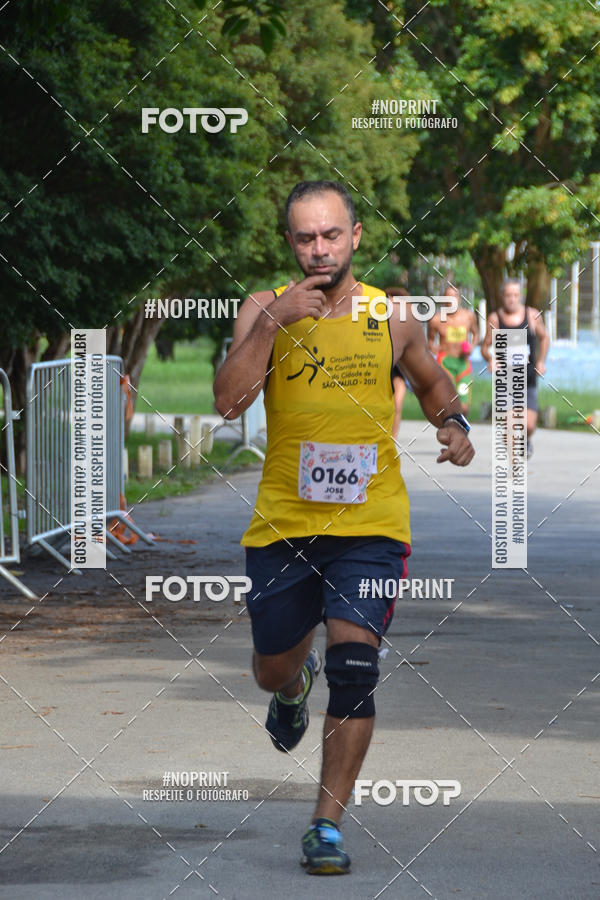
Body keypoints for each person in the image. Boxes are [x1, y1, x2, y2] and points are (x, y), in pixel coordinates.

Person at [213, 180, 474, 876]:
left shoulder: (392, 314)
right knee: (272, 667)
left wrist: (453, 422)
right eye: (306, 237)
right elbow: (229, 403)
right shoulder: (261, 308)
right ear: (290, 242)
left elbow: (431, 382)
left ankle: (325, 824)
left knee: (355, 669)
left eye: (332, 234)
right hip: (284, 525)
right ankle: (291, 688)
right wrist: (274, 324)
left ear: (356, 236)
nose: (320, 249)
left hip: (371, 524)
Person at [481, 278, 549, 457]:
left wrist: (541, 361)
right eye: (508, 295)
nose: (512, 299)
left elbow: (544, 338)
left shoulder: (532, 315)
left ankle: (525, 440)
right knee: (509, 425)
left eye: (516, 295)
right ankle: (514, 463)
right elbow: (485, 346)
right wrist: (490, 359)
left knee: (529, 425)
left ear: (521, 296)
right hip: (505, 381)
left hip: (528, 379)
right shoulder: (495, 319)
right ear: (502, 296)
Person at [427, 283, 479, 417]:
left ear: (459, 299)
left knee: (464, 407)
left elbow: (476, 334)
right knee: (447, 403)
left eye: (454, 297)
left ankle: (460, 425)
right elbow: (430, 340)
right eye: (447, 297)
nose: (451, 301)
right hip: (445, 362)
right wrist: (433, 347)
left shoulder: (468, 316)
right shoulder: (436, 320)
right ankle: (449, 427)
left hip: (463, 364)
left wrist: (472, 346)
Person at [384, 285, 410, 438]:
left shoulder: (407, 324)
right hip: (381, 366)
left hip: (398, 369)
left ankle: (392, 439)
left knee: (397, 405)